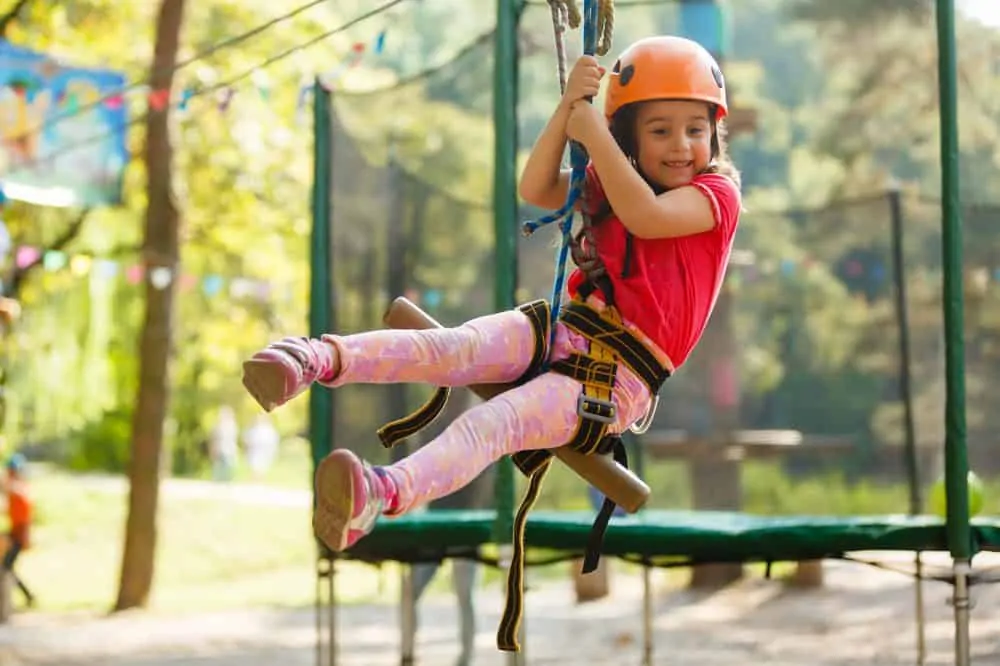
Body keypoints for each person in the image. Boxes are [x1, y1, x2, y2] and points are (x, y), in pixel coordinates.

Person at [242, 35, 741, 650]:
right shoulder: (611, 180)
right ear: (632, 135)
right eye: (660, 130)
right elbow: (536, 188)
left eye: (695, 129)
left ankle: (381, 492)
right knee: (452, 348)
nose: (681, 146)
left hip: (617, 378)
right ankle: (313, 358)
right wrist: (568, 113)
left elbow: (645, 218)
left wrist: (597, 133)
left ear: (715, 135)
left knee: (495, 421)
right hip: (567, 324)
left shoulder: (716, 197)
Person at [3, 453, 34, 607]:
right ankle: (27, 596)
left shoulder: (20, 488)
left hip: (19, 535)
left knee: (6, 568)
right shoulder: (16, 490)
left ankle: (25, 597)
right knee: (7, 567)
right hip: (15, 533)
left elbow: (11, 488)